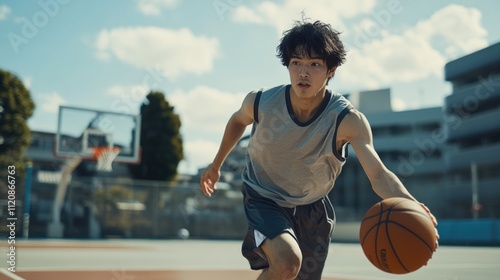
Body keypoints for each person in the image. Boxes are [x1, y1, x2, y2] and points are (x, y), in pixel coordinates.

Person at [200, 19, 438, 280]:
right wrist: (215, 165)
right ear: (287, 65)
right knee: (288, 262)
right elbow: (237, 121)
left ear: (330, 70)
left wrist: (413, 207)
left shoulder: (347, 120)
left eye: (314, 64)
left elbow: (379, 175)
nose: (303, 72)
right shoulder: (261, 102)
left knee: (300, 273)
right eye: (296, 63)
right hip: (264, 197)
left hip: (312, 207)